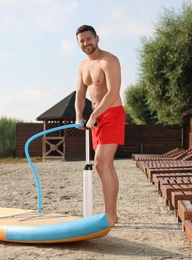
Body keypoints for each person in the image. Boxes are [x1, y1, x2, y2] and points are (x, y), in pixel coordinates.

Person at [74, 25, 125, 224]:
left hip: (111, 114)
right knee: (107, 166)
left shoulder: (109, 60)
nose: (86, 43)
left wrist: (94, 114)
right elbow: (79, 93)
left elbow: (113, 92)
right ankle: (113, 214)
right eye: (82, 41)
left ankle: (110, 215)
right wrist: (79, 115)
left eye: (89, 39)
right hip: (96, 118)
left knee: (101, 163)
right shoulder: (83, 66)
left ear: (97, 38)